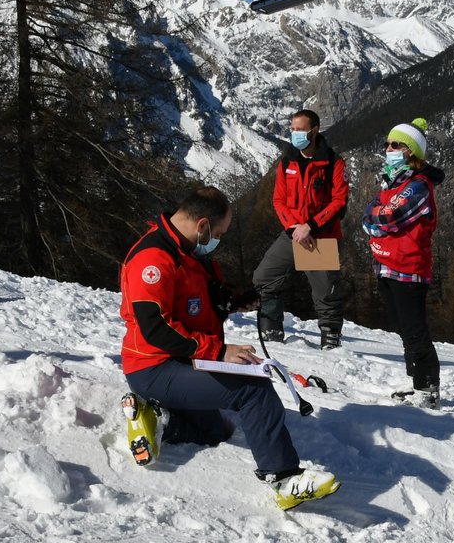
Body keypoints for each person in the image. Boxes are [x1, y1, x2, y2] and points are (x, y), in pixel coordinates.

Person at [118, 186, 339, 511]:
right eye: (218, 233)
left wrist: (231, 302)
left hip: (182, 363)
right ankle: (285, 478)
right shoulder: (152, 259)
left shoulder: (188, 251)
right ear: (203, 225)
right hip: (154, 367)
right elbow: (156, 328)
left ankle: (159, 416)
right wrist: (218, 352)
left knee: (215, 431)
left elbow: (198, 301)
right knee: (253, 389)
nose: (218, 239)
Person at [363, 118, 444, 408]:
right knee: (402, 328)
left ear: (411, 151)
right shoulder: (392, 182)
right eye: (387, 144)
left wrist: (378, 218)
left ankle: (428, 390)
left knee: (414, 329)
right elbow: (369, 215)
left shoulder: (418, 186)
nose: (389, 148)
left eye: (396, 144)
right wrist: (377, 217)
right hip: (385, 265)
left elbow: (387, 217)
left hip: (408, 269)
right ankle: (418, 383)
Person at [253, 108, 349, 348]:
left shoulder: (333, 162)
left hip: (320, 236)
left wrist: (311, 226)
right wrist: (292, 228)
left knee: (325, 292)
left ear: (314, 131)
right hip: (293, 234)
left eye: (300, 129)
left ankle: (330, 342)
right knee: (265, 277)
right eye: (292, 129)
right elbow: (279, 200)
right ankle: (271, 333)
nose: (295, 134)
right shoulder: (288, 161)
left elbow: (339, 201)